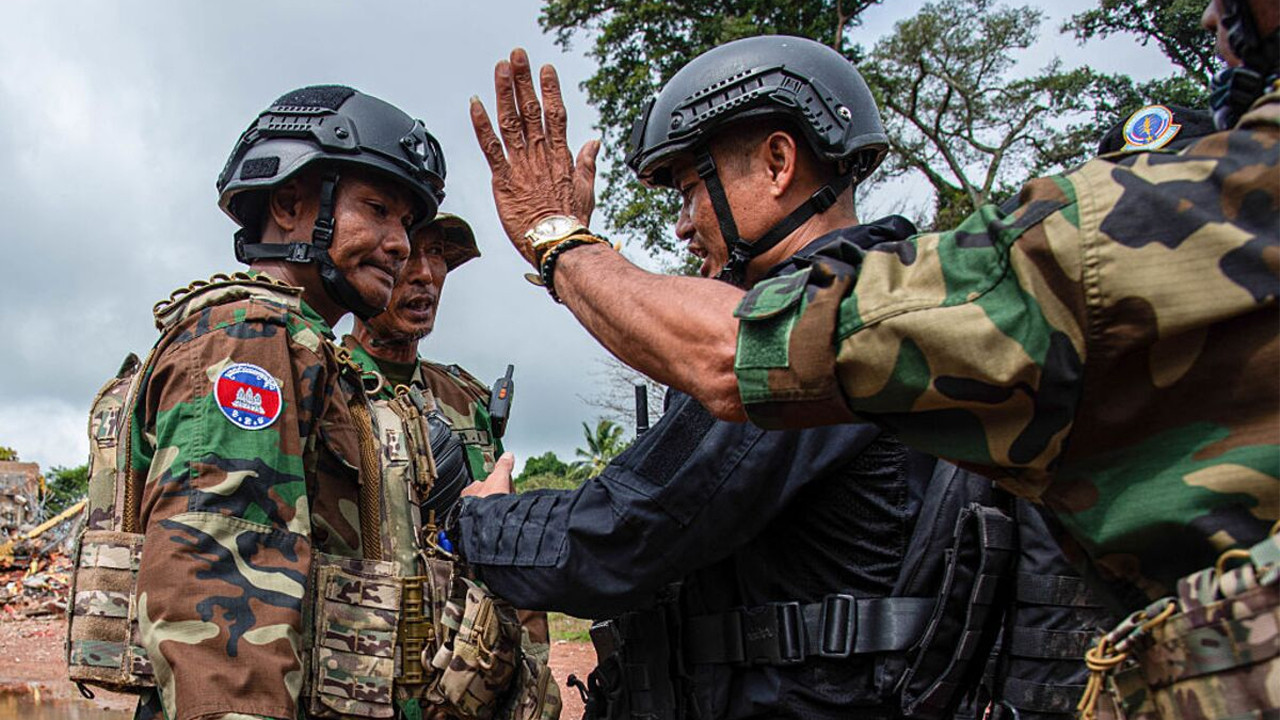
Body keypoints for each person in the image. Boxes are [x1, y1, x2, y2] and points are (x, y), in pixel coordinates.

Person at [466, 0, 1278, 715]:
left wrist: (471, 522)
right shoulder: (919, 304)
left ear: (781, 165)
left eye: (687, 191)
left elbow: (618, 538)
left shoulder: (822, 345)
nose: (681, 227)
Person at [80, 84, 447, 719]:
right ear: (288, 202)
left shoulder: (300, 343)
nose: (401, 245)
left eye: (407, 225)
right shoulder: (249, 340)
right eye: (379, 209)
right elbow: (219, 576)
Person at [341, 211, 553, 656]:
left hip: (464, 674)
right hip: (359, 670)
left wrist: (531, 667)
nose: (424, 274)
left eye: (435, 253)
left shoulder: (465, 398)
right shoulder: (325, 387)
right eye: (407, 253)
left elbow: (506, 542)